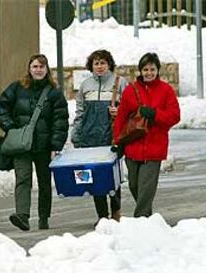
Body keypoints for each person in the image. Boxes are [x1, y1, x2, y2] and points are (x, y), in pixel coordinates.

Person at [0, 54, 69, 231]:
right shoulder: (17, 88)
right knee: (23, 179)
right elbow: (2, 106)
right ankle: (22, 215)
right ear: (29, 68)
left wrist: (55, 144)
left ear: (47, 70)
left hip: (44, 146)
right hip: (22, 145)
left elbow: (60, 120)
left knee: (44, 182)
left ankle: (44, 217)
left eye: (41, 67)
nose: (38, 70)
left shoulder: (54, 93)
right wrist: (11, 128)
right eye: (35, 66)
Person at [112, 52, 180, 217]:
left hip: (154, 147)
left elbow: (174, 116)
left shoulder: (166, 90)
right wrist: (117, 142)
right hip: (132, 146)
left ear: (158, 70)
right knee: (135, 186)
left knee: (146, 187)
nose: (149, 73)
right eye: (145, 69)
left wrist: (155, 114)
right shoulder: (130, 90)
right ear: (140, 71)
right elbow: (121, 117)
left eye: (152, 69)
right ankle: (147, 220)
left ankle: (140, 219)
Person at [71, 49, 127, 226]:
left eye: (103, 62)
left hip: (111, 137)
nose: (100, 66)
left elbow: (131, 109)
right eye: (96, 63)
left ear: (109, 64)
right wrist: (76, 133)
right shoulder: (85, 85)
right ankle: (102, 215)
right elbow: (80, 111)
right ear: (91, 66)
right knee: (95, 178)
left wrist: (119, 112)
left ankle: (116, 212)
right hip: (90, 138)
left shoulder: (120, 83)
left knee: (113, 177)